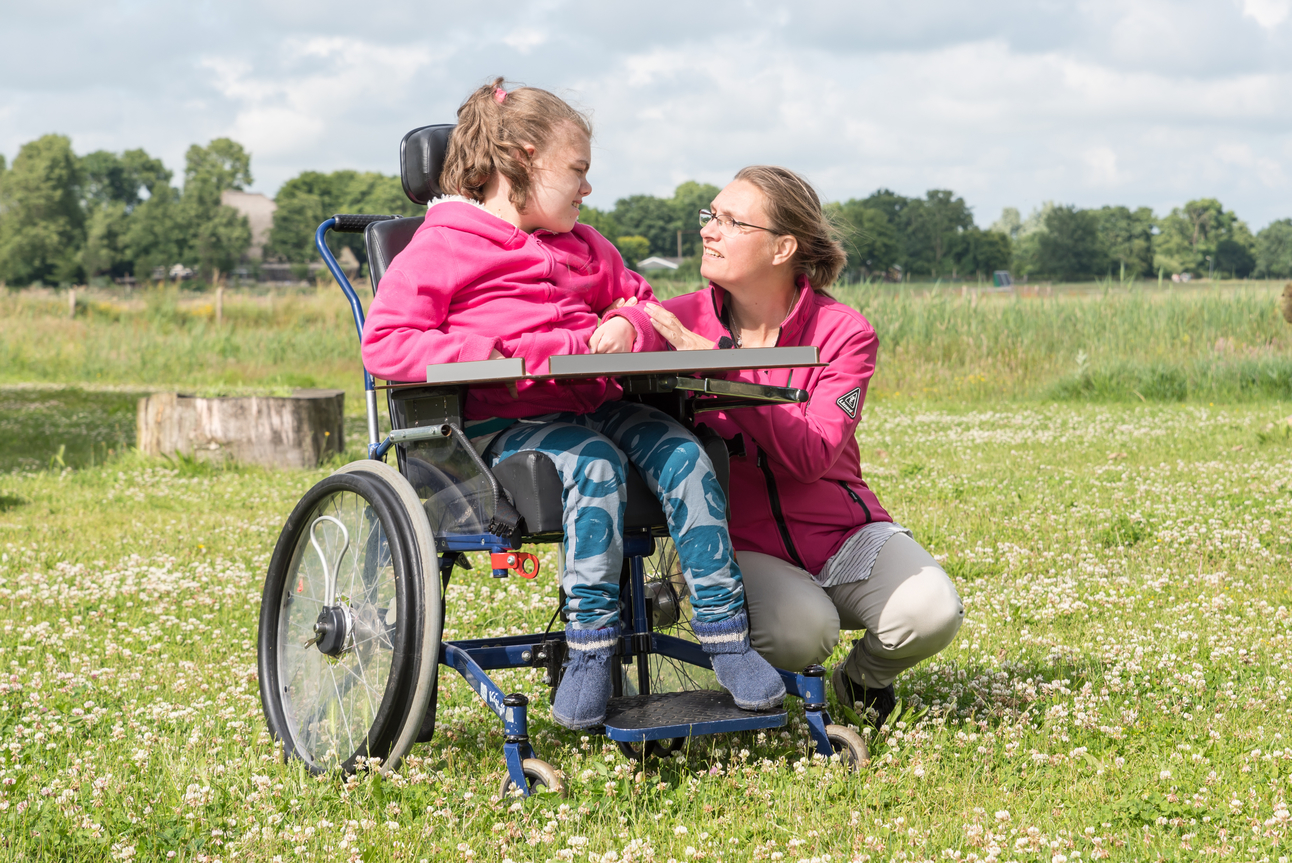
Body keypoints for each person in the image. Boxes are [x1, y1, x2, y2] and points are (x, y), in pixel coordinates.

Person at [360, 79, 784, 730]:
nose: (587, 190)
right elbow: (387, 345)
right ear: (524, 160)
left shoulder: (587, 245)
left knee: (684, 450)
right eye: (578, 171)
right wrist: (511, 349)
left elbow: (642, 300)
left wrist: (626, 326)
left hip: (598, 404)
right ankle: (589, 648)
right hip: (503, 427)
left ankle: (726, 637)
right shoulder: (443, 248)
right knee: (592, 462)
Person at [642, 166, 964, 729]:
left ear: (782, 247)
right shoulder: (682, 317)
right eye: (709, 216)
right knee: (803, 633)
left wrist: (724, 369)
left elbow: (813, 454)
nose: (708, 231)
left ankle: (861, 679)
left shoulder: (844, 332)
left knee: (932, 612)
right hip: (740, 544)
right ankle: (768, 668)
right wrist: (623, 321)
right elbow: (630, 315)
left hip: (842, 532)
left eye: (730, 221)